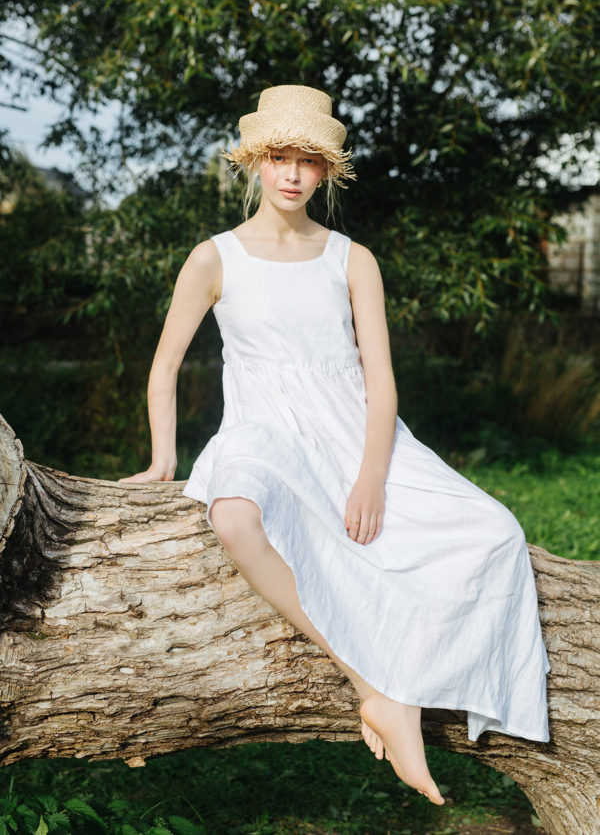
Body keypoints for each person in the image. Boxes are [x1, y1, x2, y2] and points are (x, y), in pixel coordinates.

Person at [119, 84, 551, 806]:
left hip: (353, 434)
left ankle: (419, 685)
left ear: (327, 172)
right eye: (279, 157)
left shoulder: (352, 258)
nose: (291, 173)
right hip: (262, 430)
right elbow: (164, 366)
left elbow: (382, 386)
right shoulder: (214, 258)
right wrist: (164, 459)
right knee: (232, 514)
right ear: (256, 161)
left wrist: (371, 477)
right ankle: (376, 690)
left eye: (308, 161)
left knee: (495, 532)